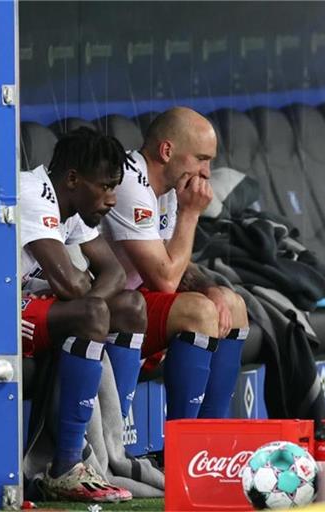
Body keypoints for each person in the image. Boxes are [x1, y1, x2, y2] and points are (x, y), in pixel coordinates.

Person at [20, 127, 146, 503]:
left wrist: (94, 308)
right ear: (73, 178)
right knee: (92, 311)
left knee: (131, 307)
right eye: (105, 187)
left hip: (30, 307)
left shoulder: (70, 209)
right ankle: (66, 467)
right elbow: (71, 287)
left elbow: (115, 274)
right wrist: (90, 309)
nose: (111, 199)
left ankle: (114, 450)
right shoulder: (33, 193)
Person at [101, 106, 250, 420]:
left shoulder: (168, 186)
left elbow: (175, 264)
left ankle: (214, 442)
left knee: (231, 304)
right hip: (103, 308)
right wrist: (191, 214)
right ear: (167, 151)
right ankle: (187, 447)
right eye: (201, 159)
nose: (207, 173)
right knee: (198, 311)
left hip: (135, 302)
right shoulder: (129, 182)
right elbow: (165, 280)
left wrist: (212, 289)